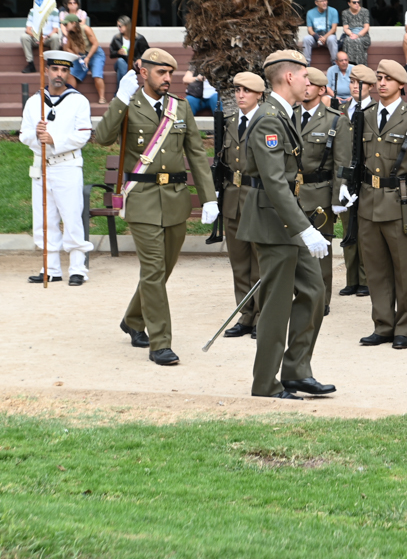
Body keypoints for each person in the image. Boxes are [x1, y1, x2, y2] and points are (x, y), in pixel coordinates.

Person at [93, 48, 219, 366]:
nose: (168, 79)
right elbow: (102, 138)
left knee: (162, 270)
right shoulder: (129, 104)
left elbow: (196, 153)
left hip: (175, 198)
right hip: (143, 199)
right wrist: (119, 99)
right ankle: (160, 343)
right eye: (161, 73)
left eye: (170, 73)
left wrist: (209, 197)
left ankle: (133, 319)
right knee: (153, 270)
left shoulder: (179, 107)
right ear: (144, 73)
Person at [238, 50, 333, 399]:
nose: (309, 82)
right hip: (271, 222)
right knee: (277, 304)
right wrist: (304, 229)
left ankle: (296, 371)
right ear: (289, 77)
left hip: (287, 221)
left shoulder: (283, 113)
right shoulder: (268, 118)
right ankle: (265, 383)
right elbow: (275, 182)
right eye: (305, 76)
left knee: (314, 291)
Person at [348, 60, 407, 350]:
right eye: (379, 78)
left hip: (400, 202)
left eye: (388, 79)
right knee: (375, 269)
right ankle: (383, 325)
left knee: (403, 270)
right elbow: (356, 159)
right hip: (369, 201)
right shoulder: (366, 114)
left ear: (401, 85)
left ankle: (403, 327)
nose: (381, 83)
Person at [20, 50, 93, 286]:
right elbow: (23, 135)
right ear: (46, 71)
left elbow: (83, 135)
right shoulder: (34, 102)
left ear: (68, 73)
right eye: (55, 69)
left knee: (71, 216)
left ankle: (77, 268)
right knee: (45, 218)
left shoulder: (78, 100)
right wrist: (36, 135)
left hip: (67, 165)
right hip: (41, 167)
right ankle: (50, 268)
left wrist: (54, 140)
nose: (59, 74)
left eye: (64, 70)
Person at [293, 66, 350, 315]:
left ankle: (321, 299)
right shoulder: (288, 115)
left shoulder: (335, 119)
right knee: (293, 248)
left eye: (311, 85)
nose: (306, 88)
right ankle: (297, 295)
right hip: (291, 194)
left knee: (321, 251)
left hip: (319, 194)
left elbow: (341, 163)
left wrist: (338, 197)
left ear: (321, 89)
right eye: (303, 84)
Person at [216, 72, 265, 340]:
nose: (240, 94)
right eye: (237, 90)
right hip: (233, 198)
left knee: (259, 261)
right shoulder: (230, 122)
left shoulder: (267, 121)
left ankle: (260, 316)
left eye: (246, 90)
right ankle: (245, 314)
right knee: (239, 262)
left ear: (259, 94)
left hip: (256, 197)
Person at [337, 64, 376, 297]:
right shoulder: (341, 109)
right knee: (348, 228)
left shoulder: (376, 110)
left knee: (366, 231)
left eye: (359, 83)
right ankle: (352, 278)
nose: (354, 87)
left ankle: (366, 279)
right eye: (352, 82)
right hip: (346, 176)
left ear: (370, 87)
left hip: (367, 177)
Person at [62, 15, 106, 104]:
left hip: (95, 54)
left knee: (97, 75)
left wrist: (88, 57)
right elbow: (66, 48)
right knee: (70, 73)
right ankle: (71, 95)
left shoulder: (86, 29)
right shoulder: (70, 34)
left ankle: (102, 97)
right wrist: (75, 55)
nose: (65, 26)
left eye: (66, 24)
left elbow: (95, 44)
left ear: (74, 23)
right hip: (81, 57)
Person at [21, 5, 61, 73]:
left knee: (55, 37)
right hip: (35, 37)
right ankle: (31, 64)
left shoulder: (54, 11)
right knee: (24, 37)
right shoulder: (33, 11)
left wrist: (45, 37)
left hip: (48, 38)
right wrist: (37, 37)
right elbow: (28, 29)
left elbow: (55, 30)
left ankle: (53, 63)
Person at [302, 0, 338, 64]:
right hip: (316, 37)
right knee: (306, 39)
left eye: (325, 0)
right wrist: (317, 37)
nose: (324, 3)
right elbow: (310, 30)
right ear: (316, 3)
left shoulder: (333, 11)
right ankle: (306, 63)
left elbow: (334, 29)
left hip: (328, 36)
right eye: (322, 1)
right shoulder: (310, 13)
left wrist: (324, 37)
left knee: (332, 39)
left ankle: (335, 62)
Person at [110, 15, 148, 80]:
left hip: (134, 64)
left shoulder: (139, 38)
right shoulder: (117, 38)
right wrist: (118, 52)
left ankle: (121, 89)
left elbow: (147, 52)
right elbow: (111, 54)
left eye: (120, 26)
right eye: (118, 26)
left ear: (127, 26)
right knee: (120, 61)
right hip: (122, 62)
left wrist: (140, 59)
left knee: (121, 71)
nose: (119, 28)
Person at [340, 0, 372, 65]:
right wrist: (351, 34)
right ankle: (349, 64)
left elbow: (366, 27)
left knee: (357, 41)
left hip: (363, 35)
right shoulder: (345, 13)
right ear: (349, 3)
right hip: (351, 34)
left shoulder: (365, 11)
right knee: (348, 40)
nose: (357, 4)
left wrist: (357, 35)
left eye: (358, 2)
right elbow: (345, 28)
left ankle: (360, 64)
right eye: (354, 2)